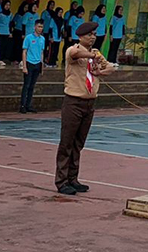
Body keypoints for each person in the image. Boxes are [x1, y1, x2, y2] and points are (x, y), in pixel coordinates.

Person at [55, 20, 115, 195]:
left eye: (95, 34)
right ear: (81, 36)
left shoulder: (95, 53)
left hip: (89, 103)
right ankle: (61, 180)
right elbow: (75, 53)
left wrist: (100, 71)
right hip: (73, 102)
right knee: (67, 142)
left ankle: (73, 178)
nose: (93, 37)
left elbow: (110, 67)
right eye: (90, 35)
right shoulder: (74, 51)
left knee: (78, 143)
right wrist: (92, 56)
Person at [19, 20, 47, 113]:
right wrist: (24, 66)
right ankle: (22, 105)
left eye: (41, 27)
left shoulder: (42, 39)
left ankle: (28, 104)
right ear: (35, 27)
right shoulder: (29, 38)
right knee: (26, 85)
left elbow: (42, 52)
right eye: (38, 26)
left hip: (37, 63)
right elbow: (24, 51)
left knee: (32, 85)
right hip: (29, 62)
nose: (40, 29)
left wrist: (41, 65)